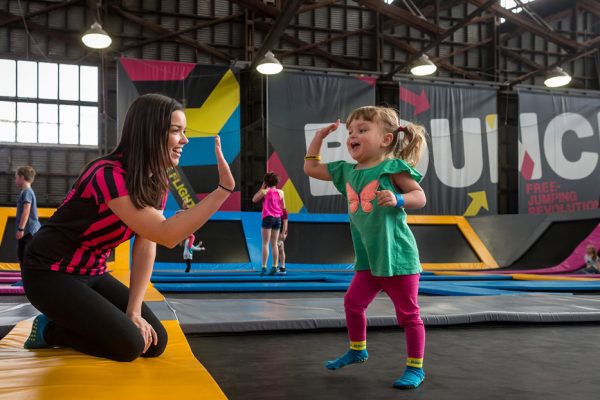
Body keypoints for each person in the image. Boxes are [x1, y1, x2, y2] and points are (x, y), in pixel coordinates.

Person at [21, 93, 235, 362]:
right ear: (151, 132)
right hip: (49, 273)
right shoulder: (107, 174)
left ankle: (76, 321)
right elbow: (166, 234)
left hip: (93, 273)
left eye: (184, 132)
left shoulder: (157, 182)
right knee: (129, 345)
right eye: (176, 131)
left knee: (155, 342)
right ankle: (51, 330)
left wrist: (133, 311)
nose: (184, 140)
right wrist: (223, 190)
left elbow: (148, 242)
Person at [304, 106, 427, 389]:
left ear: (385, 139)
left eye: (361, 130)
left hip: (397, 257)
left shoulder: (391, 168)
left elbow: (419, 197)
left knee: (408, 316)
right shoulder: (346, 171)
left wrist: (398, 200)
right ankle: (358, 349)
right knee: (352, 303)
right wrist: (320, 138)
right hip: (369, 260)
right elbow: (310, 167)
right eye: (350, 132)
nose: (352, 136)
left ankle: (415, 368)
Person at [252, 172, 286, 276]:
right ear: (276, 182)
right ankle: (275, 266)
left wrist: (262, 187)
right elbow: (283, 208)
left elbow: (254, 199)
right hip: (277, 219)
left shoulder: (264, 191)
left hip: (268, 217)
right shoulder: (281, 192)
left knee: (265, 243)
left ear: (266, 182)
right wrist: (284, 228)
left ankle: (264, 267)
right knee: (274, 244)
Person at [15, 166, 41, 269]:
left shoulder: (27, 192)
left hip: (29, 231)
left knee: (26, 256)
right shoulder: (26, 192)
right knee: (21, 254)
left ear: (22, 177)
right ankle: (24, 278)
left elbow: (26, 210)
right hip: (27, 231)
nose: (15, 180)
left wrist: (21, 229)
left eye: (16, 177)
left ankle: (28, 280)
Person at [276, 208, 289, 275]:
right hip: (277, 230)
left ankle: (281, 267)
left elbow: (285, 223)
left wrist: (283, 234)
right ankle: (281, 267)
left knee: (279, 249)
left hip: (281, 232)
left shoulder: (284, 210)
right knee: (279, 249)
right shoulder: (274, 208)